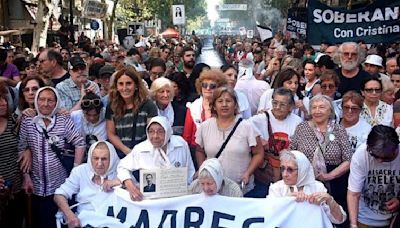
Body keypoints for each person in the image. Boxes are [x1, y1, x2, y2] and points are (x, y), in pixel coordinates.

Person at [18, 86, 85, 228]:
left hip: (58, 186)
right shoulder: (28, 121)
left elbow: (79, 142)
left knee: (56, 222)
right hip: (35, 186)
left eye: (50, 100)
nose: (45, 104)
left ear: (56, 103)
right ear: (36, 101)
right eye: (42, 99)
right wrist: (26, 177)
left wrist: (75, 169)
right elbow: (21, 147)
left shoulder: (63, 120)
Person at [290, 94, 352, 214]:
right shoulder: (302, 128)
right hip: (306, 182)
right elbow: (292, 154)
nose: (317, 111)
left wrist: (330, 176)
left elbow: (348, 159)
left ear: (330, 111)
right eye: (314, 107)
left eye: (322, 107)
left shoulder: (339, 129)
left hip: (335, 182)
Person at [195, 86, 263, 195]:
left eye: (228, 101)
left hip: (240, 188)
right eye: (220, 101)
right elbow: (199, 150)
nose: (224, 105)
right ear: (214, 105)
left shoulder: (247, 127)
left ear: (235, 105)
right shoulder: (205, 127)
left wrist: (248, 173)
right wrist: (202, 168)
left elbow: (258, 153)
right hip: (212, 190)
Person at [117, 116, 195, 201]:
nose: (155, 136)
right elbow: (122, 167)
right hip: (152, 201)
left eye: (160, 131)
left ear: (168, 132)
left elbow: (190, 171)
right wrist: (131, 186)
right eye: (151, 132)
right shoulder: (141, 149)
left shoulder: (180, 144)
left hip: (178, 198)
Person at [268, 150, 346, 225]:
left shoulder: (317, 187)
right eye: (282, 168)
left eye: (290, 170)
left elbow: (340, 219)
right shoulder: (276, 188)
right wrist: (288, 199)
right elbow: (269, 217)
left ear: (303, 170)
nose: (284, 174)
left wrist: (329, 200)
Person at [53, 141, 120, 228]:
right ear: (90, 158)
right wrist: (70, 216)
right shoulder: (80, 171)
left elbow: (138, 193)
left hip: (112, 222)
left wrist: (120, 182)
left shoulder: (121, 172)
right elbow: (59, 195)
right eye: (96, 158)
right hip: (85, 222)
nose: (99, 163)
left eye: (104, 159)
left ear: (112, 159)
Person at [347, 125, 400, 228]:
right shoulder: (361, 155)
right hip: (365, 219)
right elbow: (353, 194)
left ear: (396, 148)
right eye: (375, 156)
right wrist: (353, 224)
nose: (379, 161)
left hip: (395, 219)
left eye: (387, 158)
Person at [106, 66, 158, 158]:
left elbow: (152, 131)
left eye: (129, 83)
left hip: (145, 153)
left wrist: (139, 152)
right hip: (121, 153)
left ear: (136, 85)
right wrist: (126, 151)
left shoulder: (148, 105)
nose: (125, 88)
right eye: (121, 84)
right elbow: (111, 133)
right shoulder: (112, 106)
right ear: (117, 86)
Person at [0, 82, 24, 227]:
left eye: (4, 98)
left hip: (15, 189)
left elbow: (25, 142)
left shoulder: (14, 121)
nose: (3, 103)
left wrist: (26, 150)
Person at [183, 69, 227, 148]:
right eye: (204, 85)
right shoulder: (193, 107)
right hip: (196, 149)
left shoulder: (225, 107)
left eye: (212, 86)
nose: (208, 88)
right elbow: (187, 137)